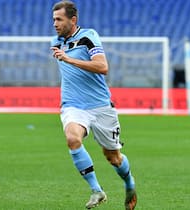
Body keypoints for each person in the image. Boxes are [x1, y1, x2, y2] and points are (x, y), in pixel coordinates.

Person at [50, 1, 137, 209]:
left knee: (113, 157)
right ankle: (97, 190)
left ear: (73, 20)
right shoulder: (57, 41)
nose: (55, 24)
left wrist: (70, 59)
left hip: (100, 107)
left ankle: (129, 182)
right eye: (53, 19)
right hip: (73, 105)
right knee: (72, 138)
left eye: (59, 19)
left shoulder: (89, 37)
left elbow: (102, 67)